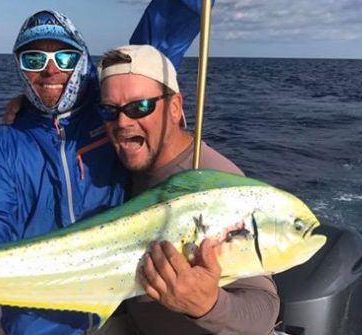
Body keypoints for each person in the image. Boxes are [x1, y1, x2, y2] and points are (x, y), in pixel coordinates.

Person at [0, 2, 208, 335]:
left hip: (126, 301)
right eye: (34, 60)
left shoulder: (110, 111)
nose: (50, 71)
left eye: (64, 58)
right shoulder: (1, 146)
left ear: (82, 59)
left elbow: (163, 30)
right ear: (20, 68)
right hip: (41, 321)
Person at [95, 45, 280, 334]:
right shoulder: (124, 161)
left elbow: (263, 309)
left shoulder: (215, 186)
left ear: (175, 108)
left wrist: (208, 305)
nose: (122, 122)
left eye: (140, 106)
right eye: (109, 110)